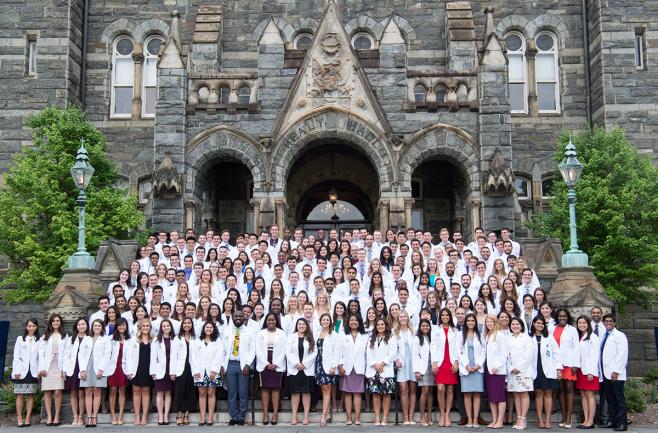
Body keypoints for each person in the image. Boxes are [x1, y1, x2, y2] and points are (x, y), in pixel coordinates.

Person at [221, 310, 256, 426]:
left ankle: (241, 417)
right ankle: (234, 416)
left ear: (244, 317)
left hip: (243, 366)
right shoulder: (226, 331)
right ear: (232, 317)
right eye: (236, 316)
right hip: (230, 365)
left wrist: (247, 364)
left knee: (243, 392)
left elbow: (252, 350)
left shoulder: (249, 332)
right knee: (232, 393)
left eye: (241, 316)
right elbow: (222, 350)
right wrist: (222, 365)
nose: (238, 318)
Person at [255, 312, 287, 425]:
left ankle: (275, 414)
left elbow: (284, 350)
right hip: (264, 362)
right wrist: (266, 363)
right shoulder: (260, 333)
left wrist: (276, 363)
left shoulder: (282, 334)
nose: (271, 322)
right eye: (269, 320)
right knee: (265, 388)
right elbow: (257, 350)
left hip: (277, 363)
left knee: (275, 389)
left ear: (276, 321)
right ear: (266, 321)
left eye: (273, 320)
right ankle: (265, 414)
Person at [531, 316, 561, 429]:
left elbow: (556, 353)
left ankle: (548, 419)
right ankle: (539, 419)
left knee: (548, 393)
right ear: (534, 324)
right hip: (535, 368)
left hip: (549, 368)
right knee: (538, 393)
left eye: (542, 323)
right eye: (538, 323)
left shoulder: (549, 337)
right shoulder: (529, 337)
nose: (540, 325)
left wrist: (558, 369)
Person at [191, 321, 224, 426]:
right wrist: (196, 370)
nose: (208, 329)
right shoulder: (197, 341)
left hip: (212, 372)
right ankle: (202, 417)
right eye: (207, 327)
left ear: (214, 329)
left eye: (211, 327)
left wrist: (214, 370)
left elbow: (220, 355)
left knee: (211, 393)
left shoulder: (217, 341)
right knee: (201, 393)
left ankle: (210, 418)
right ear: (203, 329)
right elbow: (193, 357)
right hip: (200, 372)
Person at [599, 314, 628, 431]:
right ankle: (613, 420)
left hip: (616, 374)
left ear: (615, 323)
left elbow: (622, 354)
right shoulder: (603, 335)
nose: (608, 323)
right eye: (606, 321)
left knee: (619, 399)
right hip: (605, 373)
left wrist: (616, 371)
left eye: (610, 321)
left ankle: (622, 423)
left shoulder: (620, 336)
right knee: (610, 399)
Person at [366, 317, 397, 426]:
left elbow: (393, 353)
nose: (380, 326)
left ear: (386, 326)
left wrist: (382, 364)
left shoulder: (391, 338)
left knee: (386, 394)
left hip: (385, 370)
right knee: (376, 394)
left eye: (382, 324)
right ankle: (377, 417)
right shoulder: (371, 338)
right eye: (378, 324)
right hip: (374, 370)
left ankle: (385, 418)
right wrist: (375, 365)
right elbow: (368, 353)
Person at [507, 317, 537, 430]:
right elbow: (506, 355)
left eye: (517, 324)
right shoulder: (508, 338)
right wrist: (511, 368)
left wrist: (519, 368)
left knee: (523, 393)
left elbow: (529, 355)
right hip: (512, 371)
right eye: (513, 324)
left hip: (524, 370)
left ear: (521, 326)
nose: (515, 326)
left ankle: (523, 419)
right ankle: (518, 418)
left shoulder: (526, 338)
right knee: (516, 394)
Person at [338, 313, 368, 426]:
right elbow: (338, 352)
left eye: (356, 320)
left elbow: (367, 353)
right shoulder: (342, 335)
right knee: (347, 393)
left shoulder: (365, 336)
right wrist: (340, 366)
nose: (354, 322)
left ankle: (357, 418)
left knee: (357, 393)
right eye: (351, 320)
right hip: (347, 367)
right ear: (348, 322)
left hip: (359, 367)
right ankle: (349, 417)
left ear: (359, 322)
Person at [80, 319, 111, 427]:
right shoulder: (86, 338)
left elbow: (107, 355)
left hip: (99, 368)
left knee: (97, 391)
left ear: (102, 327)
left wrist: (101, 369)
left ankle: (94, 416)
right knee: (88, 391)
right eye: (95, 326)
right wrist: (82, 370)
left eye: (99, 326)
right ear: (92, 327)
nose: (96, 327)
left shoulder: (105, 339)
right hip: (87, 367)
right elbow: (81, 355)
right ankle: (88, 417)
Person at [431, 308, 459, 427]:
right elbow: (433, 346)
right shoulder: (436, 329)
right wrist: (433, 362)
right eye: (443, 315)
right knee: (441, 388)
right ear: (440, 317)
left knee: (450, 389)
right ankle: (442, 414)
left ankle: (447, 415)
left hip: (451, 362)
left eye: (447, 315)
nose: (445, 317)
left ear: (450, 316)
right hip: (440, 362)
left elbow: (458, 347)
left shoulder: (455, 330)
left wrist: (456, 362)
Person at [287, 317, 317, 425]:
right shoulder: (291, 337)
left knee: (306, 392)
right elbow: (288, 352)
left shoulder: (310, 337)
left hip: (306, 369)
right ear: (296, 326)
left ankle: (305, 417)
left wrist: (304, 364)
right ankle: (294, 417)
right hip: (295, 368)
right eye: (299, 324)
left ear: (306, 326)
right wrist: (296, 363)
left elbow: (314, 352)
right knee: (295, 392)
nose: (301, 326)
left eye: (303, 324)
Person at [123, 318, 154, 426]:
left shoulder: (153, 341)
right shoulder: (133, 340)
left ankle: (144, 416)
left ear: (150, 328)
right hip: (136, 369)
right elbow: (127, 357)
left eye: (147, 326)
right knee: (136, 392)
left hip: (148, 369)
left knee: (146, 392)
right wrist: (128, 371)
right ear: (139, 328)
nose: (145, 328)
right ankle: (137, 416)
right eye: (143, 326)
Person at [554, 308, 580, 428]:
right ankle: (564, 417)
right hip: (557, 364)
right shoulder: (552, 328)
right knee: (561, 390)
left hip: (569, 363)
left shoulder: (572, 330)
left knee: (569, 389)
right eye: (560, 316)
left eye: (564, 316)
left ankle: (569, 418)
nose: (562, 318)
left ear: (568, 317)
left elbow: (576, 347)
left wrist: (575, 364)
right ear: (557, 317)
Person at [12, 318, 40, 428]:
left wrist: (39, 371)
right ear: (26, 327)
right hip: (21, 371)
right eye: (29, 326)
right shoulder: (20, 339)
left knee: (31, 395)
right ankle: (19, 418)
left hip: (33, 371)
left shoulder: (40, 340)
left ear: (36, 327)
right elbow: (16, 356)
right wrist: (16, 371)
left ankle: (28, 418)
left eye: (33, 326)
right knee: (19, 395)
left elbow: (40, 357)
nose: (31, 328)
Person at [459, 313, 485, 428]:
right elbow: (458, 352)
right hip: (466, 368)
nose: (470, 322)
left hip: (477, 368)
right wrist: (466, 365)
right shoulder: (460, 334)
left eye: (472, 321)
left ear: (475, 322)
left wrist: (478, 365)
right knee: (467, 394)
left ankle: (475, 419)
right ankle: (469, 419)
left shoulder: (480, 335)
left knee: (477, 394)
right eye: (468, 320)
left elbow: (484, 352)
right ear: (465, 322)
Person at [39, 314, 66, 426]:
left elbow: (67, 353)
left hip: (59, 366)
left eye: (58, 321)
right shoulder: (45, 336)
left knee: (58, 391)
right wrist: (41, 369)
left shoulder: (65, 336)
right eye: (53, 321)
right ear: (50, 323)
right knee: (48, 392)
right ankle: (49, 416)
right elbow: (41, 353)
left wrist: (64, 369)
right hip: (48, 366)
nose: (56, 323)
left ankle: (57, 416)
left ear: (60, 323)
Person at [575, 315, 600, 429]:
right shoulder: (581, 336)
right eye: (579, 323)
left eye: (584, 323)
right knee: (583, 395)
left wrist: (591, 372)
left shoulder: (593, 337)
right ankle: (585, 420)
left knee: (590, 395)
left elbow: (595, 356)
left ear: (588, 324)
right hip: (581, 370)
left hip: (589, 371)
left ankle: (591, 421)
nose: (581, 325)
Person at [315, 313, 340, 426]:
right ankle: (328, 411)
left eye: (327, 320)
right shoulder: (317, 333)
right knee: (323, 388)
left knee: (327, 388)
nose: (325, 321)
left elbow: (337, 351)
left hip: (329, 365)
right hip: (318, 363)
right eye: (323, 319)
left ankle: (324, 415)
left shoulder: (333, 334)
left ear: (330, 322)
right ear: (320, 321)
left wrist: (334, 366)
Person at [171, 317, 197, 425]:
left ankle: (186, 414)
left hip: (191, 368)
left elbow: (196, 355)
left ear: (192, 325)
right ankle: (179, 414)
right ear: (182, 325)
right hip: (180, 368)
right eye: (185, 323)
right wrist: (172, 371)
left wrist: (197, 369)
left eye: (189, 323)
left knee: (189, 391)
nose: (187, 325)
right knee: (179, 391)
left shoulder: (195, 338)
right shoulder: (177, 338)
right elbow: (173, 356)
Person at [484, 315, 508, 429]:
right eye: (487, 322)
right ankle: (494, 420)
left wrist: (497, 366)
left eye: (491, 321)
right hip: (489, 370)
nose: (489, 323)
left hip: (497, 371)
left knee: (500, 396)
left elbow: (504, 353)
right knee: (492, 397)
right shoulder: (488, 335)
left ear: (495, 322)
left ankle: (500, 421)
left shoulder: (499, 335)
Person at [64, 318, 89, 427]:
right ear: (76, 326)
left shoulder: (89, 338)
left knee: (82, 392)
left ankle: (81, 416)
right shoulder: (71, 339)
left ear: (87, 326)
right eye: (79, 324)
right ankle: (75, 416)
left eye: (83, 324)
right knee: (73, 392)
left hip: (84, 368)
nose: (81, 326)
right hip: (73, 368)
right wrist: (64, 370)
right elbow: (66, 355)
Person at [394, 309, 417, 425]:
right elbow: (393, 349)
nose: (403, 318)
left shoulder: (413, 331)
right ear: (398, 319)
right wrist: (397, 359)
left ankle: (411, 416)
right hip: (402, 363)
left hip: (413, 363)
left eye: (405, 316)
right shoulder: (395, 332)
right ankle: (405, 416)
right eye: (401, 317)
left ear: (408, 318)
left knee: (412, 389)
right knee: (403, 389)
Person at [151, 319, 175, 425]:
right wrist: (153, 371)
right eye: (164, 326)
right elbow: (153, 358)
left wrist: (174, 371)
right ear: (161, 328)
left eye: (168, 325)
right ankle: (160, 415)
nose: (166, 327)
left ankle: (166, 416)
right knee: (160, 393)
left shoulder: (175, 339)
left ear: (171, 327)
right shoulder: (156, 340)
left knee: (168, 393)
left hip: (171, 369)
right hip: (159, 369)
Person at [107, 318, 130, 425]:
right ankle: (113, 414)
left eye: (124, 325)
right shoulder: (110, 339)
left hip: (124, 368)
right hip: (113, 368)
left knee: (122, 391)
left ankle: (120, 414)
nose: (122, 327)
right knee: (113, 390)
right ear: (116, 326)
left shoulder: (130, 339)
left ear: (126, 326)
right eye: (120, 325)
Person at [413, 319, 435, 426]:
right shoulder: (417, 339)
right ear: (420, 327)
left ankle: (429, 415)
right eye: (423, 326)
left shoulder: (432, 338)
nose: (425, 327)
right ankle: (422, 416)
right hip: (423, 368)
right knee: (424, 391)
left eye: (427, 326)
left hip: (433, 366)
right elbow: (415, 355)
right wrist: (417, 371)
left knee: (431, 391)